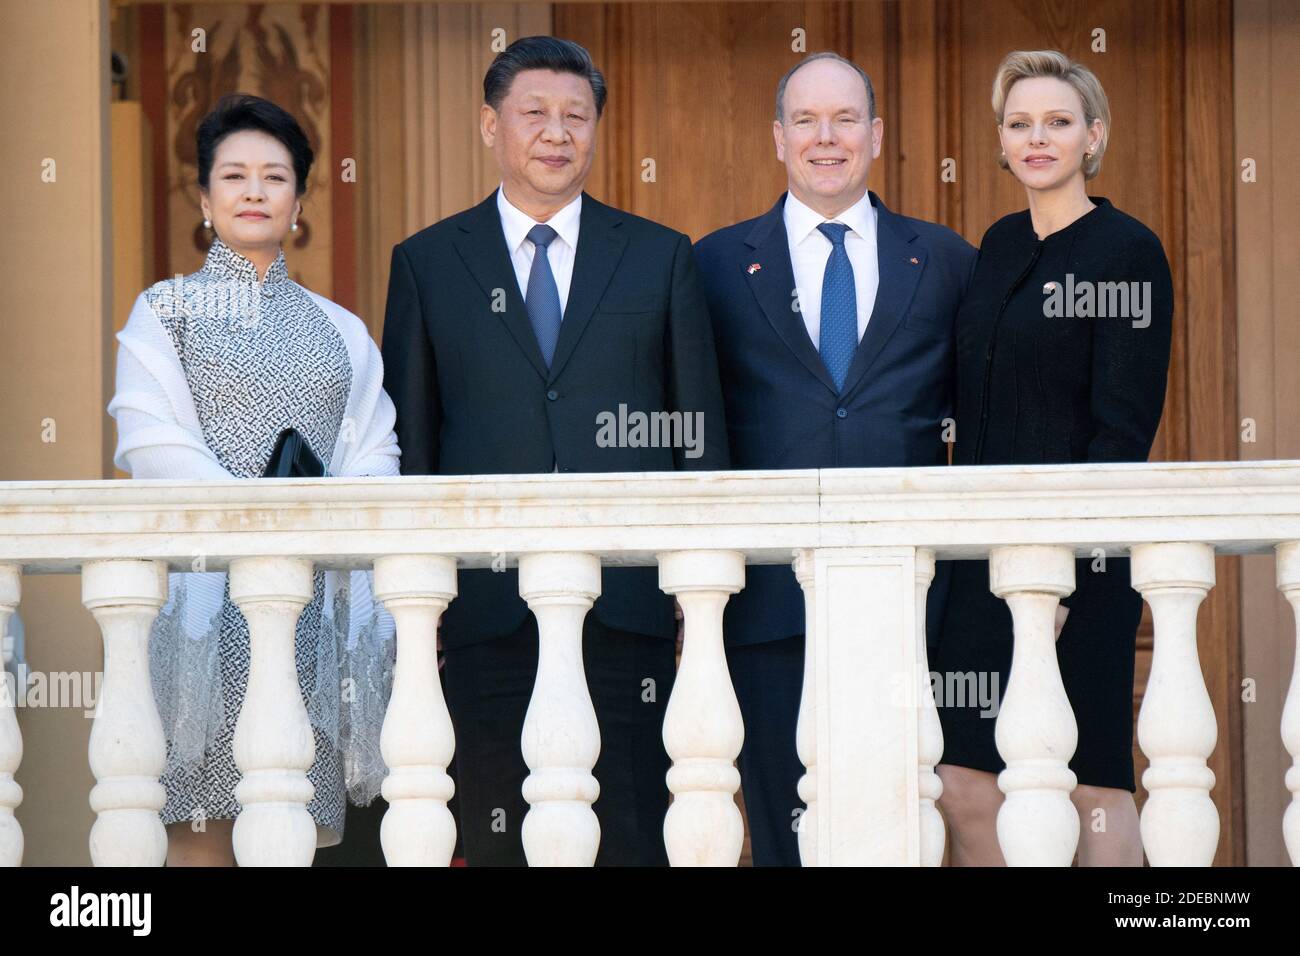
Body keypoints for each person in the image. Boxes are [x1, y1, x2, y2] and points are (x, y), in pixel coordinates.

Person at [381, 36, 728, 866]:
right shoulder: (428, 263)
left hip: (628, 605)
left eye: (577, 115)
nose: (556, 132)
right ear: (489, 126)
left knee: (634, 830)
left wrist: (697, 588)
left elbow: (698, 435)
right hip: (485, 608)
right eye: (533, 112)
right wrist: (421, 597)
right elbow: (413, 447)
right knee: (499, 829)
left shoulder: (659, 255)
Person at [693, 51, 976, 866]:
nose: (826, 137)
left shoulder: (946, 260)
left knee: (903, 829)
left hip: (912, 603)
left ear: (876, 135)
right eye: (806, 120)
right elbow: (695, 431)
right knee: (785, 831)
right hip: (767, 604)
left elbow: (979, 426)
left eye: (845, 119)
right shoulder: (714, 264)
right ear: (778, 138)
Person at [108, 93, 401, 866]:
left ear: (298, 202)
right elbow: (151, 443)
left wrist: (311, 517)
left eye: (274, 177)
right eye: (233, 176)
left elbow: (376, 456)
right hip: (199, 613)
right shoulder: (164, 313)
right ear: (205, 199)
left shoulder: (343, 331)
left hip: (308, 615)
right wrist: (256, 520)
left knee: (286, 832)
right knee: (198, 836)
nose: (253, 191)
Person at [931, 50, 1174, 866]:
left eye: (1058, 122)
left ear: (1092, 137)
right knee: (965, 779)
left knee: (1090, 786)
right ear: (1002, 141)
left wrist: (1068, 571)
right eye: (1020, 124)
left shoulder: (1127, 251)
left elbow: (1122, 434)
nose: (1037, 139)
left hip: (1083, 564)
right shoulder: (997, 245)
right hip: (980, 561)